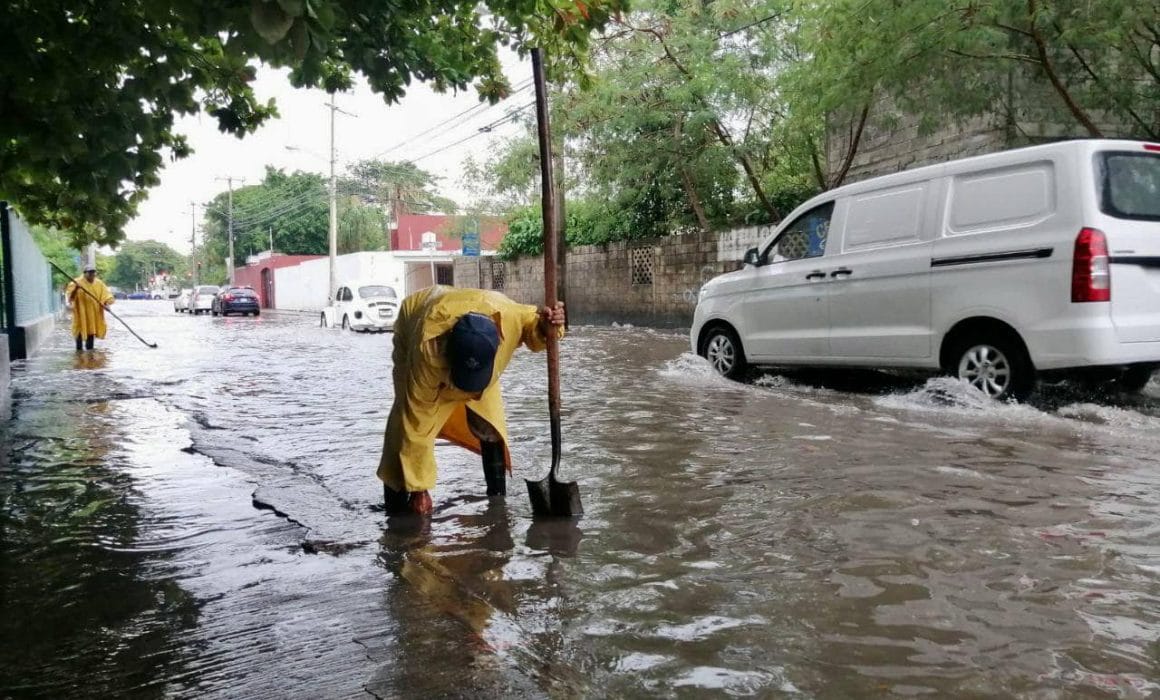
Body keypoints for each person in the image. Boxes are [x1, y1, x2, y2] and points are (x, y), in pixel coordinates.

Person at [378, 285, 566, 516]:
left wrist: (549, 327)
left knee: (489, 423)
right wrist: (420, 490)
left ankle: (497, 502)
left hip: (476, 341)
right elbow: (417, 420)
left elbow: (535, 329)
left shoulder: (508, 316)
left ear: (498, 341)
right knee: (403, 426)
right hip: (417, 321)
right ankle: (396, 507)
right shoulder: (427, 348)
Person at [65, 264, 114, 352]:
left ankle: (90, 356)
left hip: (93, 314)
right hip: (81, 314)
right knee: (79, 332)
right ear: (84, 273)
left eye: (94, 273)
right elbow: (70, 297)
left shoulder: (99, 283)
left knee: (91, 333)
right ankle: (79, 354)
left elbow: (106, 295)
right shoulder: (76, 282)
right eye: (90, 273)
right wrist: (76, 289)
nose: (92, 275)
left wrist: (107, 304)